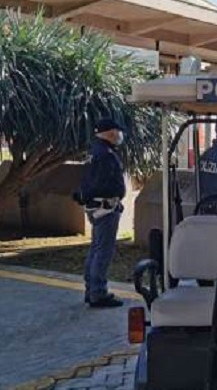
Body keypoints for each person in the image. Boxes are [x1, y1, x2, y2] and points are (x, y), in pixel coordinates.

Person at [76, 117, 127, 308]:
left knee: (96, 249)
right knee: (103, 251)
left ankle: (91, 289)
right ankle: (98, 292)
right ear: (110, 132)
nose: (120, 135)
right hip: (105, 208)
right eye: (118, 131)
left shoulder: (94, 151)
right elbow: (102, 183)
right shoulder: (105, 154)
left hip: (96, 208)